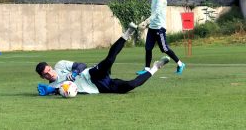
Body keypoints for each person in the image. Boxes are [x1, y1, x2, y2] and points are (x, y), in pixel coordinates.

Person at [35, 22, 170, 96]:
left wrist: (75, 73)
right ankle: (156, 67)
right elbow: (57, 91)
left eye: (49, 70)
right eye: (45, 74)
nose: (49, 73)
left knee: (109, 60)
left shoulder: (60, 65)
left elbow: (81, 65)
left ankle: (127, 34)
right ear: (43, 77)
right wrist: (49, 91)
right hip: (99, 87)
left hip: (91, 74)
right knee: (130, 85)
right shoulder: (52, 87)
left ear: (51, 67)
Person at [136, 0, 185, 75]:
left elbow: (156, 13)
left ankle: (180, 64)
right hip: (152, 28)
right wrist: (148, 24)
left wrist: (146, 22)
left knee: (164, 49)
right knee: (148, 48)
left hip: (159, 28)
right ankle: (146, 69)